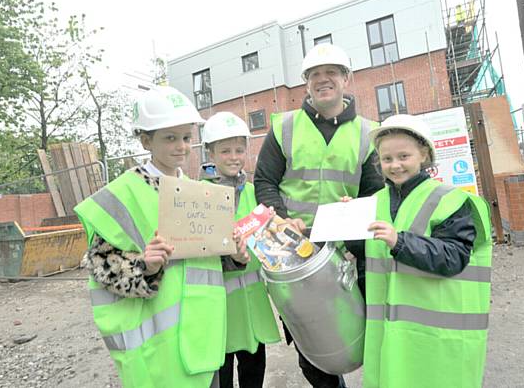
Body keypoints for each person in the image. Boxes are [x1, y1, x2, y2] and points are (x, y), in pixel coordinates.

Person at [74, 86, 248, 388]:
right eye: (170, 138)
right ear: (146, 140)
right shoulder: (124, 193)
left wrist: (234, 257)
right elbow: (102, 265)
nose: (181, 146)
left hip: (204, 334)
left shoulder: (197, 193)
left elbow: (207, 261)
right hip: (160, 347)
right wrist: (145, 267)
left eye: (186, 137)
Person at [253, 43, 383, 388]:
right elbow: (264, 181)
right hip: (296, 251)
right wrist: (280, 220)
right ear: (306, 84)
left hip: (351, 249)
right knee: (311, 339)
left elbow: (376, 191)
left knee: (367, 327)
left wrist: (356, 212)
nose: (322, 80)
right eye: (314, 75)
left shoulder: (368, 132)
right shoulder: (285, 127)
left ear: (346, 79)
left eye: (331, 73)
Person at [363, 114, 492, 388]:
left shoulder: (450, 199)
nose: (395, 165)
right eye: (387, 159)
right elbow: (367, 255)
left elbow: (454, 256)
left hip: (435, 337)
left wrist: (400, 242)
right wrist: (346, 216)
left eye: (404, 156)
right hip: (391, 333)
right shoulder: (374, 202)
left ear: (424, 155)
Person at [199, 112, 281, 388]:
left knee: (253, 373)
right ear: (210, 152)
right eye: (225, 151)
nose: (234, 157)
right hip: (219, 306)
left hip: (251, 305)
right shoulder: (199, 194)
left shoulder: (252, 191)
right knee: (221, 378)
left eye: (239, 150)